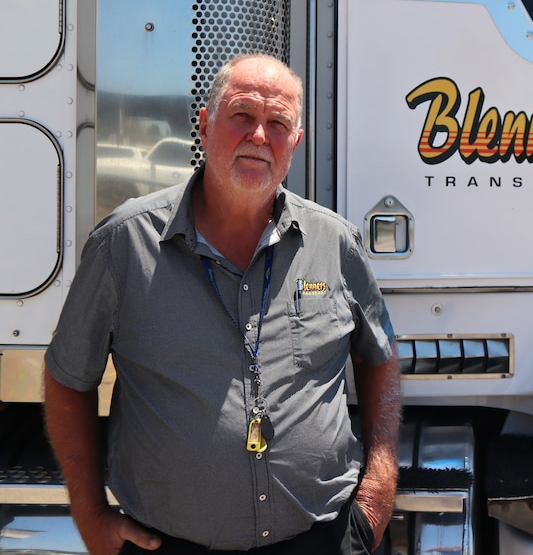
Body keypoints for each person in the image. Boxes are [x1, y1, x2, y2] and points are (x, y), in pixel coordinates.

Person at [43, 53, 401, 555]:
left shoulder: (335, 242)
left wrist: (379, 488)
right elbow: (66, 379)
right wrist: (89, 517)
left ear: (294, 144)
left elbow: (378, 359)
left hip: (324, 538)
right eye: (242, 115)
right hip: (169, 543)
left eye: (278, 123)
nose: (259, 135)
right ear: (205, 125)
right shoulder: (124, 243)